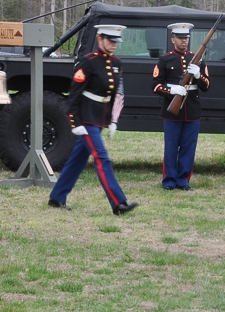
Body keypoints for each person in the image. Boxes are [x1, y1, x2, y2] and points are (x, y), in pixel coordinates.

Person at [47, 24, 139, 215]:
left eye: (116, 41)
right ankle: (118, 203)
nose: (114, 44)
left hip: (100, 117)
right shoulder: (88, 62)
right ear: (100, 39)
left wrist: (113, 121)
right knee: (101, 157)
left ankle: (57, 197)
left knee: (77, 160)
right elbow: (74, 93)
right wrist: (75, 122)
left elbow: (113, 94)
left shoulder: (116, 63)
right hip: (87, 118)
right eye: (110, 41)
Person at [152, 22, 210, 191]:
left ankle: (183, 180)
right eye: (180, 38)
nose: (184, 41)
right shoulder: (165, 59)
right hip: (172, 110)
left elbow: (206, 86)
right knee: (171, 147)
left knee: (188, 147)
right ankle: (169, 180)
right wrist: (171, 90)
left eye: (186, 38)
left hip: (192, 109)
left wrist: (198, 75)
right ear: (173, 39)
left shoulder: (197, 59)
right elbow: (155, 85)